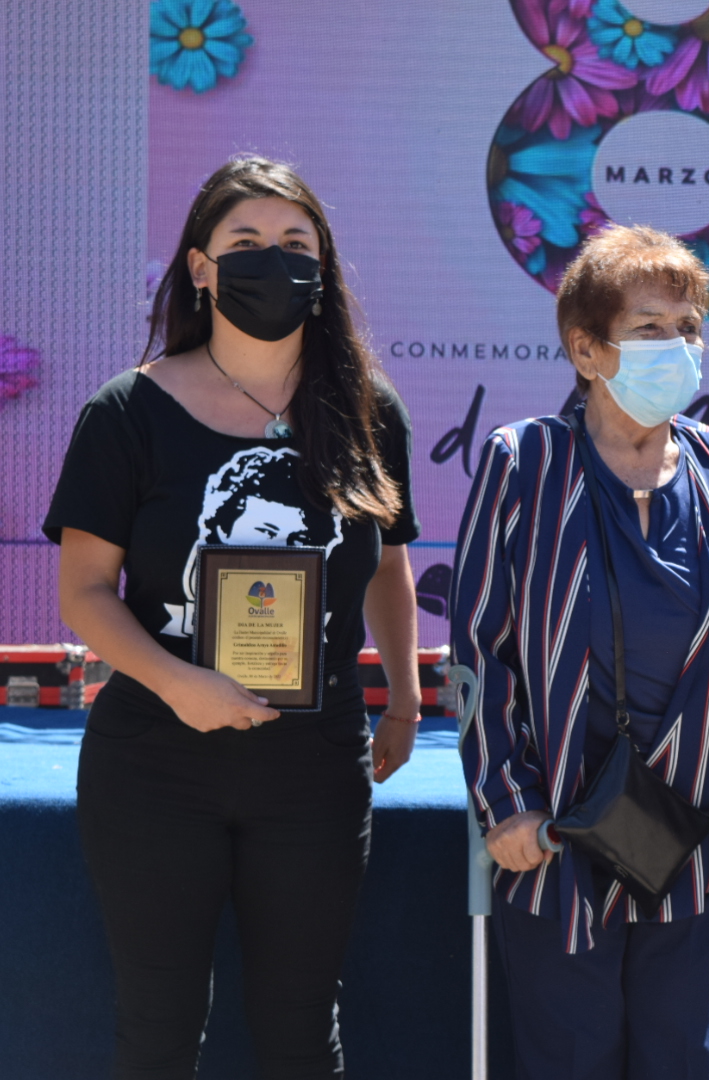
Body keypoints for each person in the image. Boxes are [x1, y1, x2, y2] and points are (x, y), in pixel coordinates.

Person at [45, 155, 423, 1080]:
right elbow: (85, 592)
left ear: (325, 269)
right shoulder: (126, 411)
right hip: (155, 762)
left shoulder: (368, 411)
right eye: (245, 243)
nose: (274, 261)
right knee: (160, 1035)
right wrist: (181, 685)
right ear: (201, 267)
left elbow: (389, 562)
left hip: (314, 768)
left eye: (297, 244)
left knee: (301, 1035)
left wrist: (407, 697)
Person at [451, 224, 709, 1080]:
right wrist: (506, 801)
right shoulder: (524, 461)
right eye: (648, 330)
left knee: (678, 1056)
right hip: (559, 828)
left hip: (697, 827)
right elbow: (481, 649)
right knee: (569, 1055)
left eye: (688, 329)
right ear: (586, 349)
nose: (677, 348)